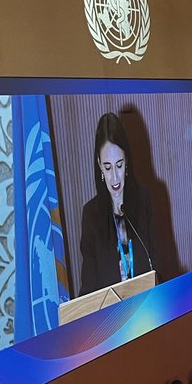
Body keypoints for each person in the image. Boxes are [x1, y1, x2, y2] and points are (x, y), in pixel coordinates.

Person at [78, 111, 155, 296]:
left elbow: (159, 267)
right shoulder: (91, 215)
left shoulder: (144, 200)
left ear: (127, 161)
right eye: (107, 167)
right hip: (111, 319)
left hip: (149, 309)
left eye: (119, 165)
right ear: (99, 164)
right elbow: (88, 290)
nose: (114, 178)